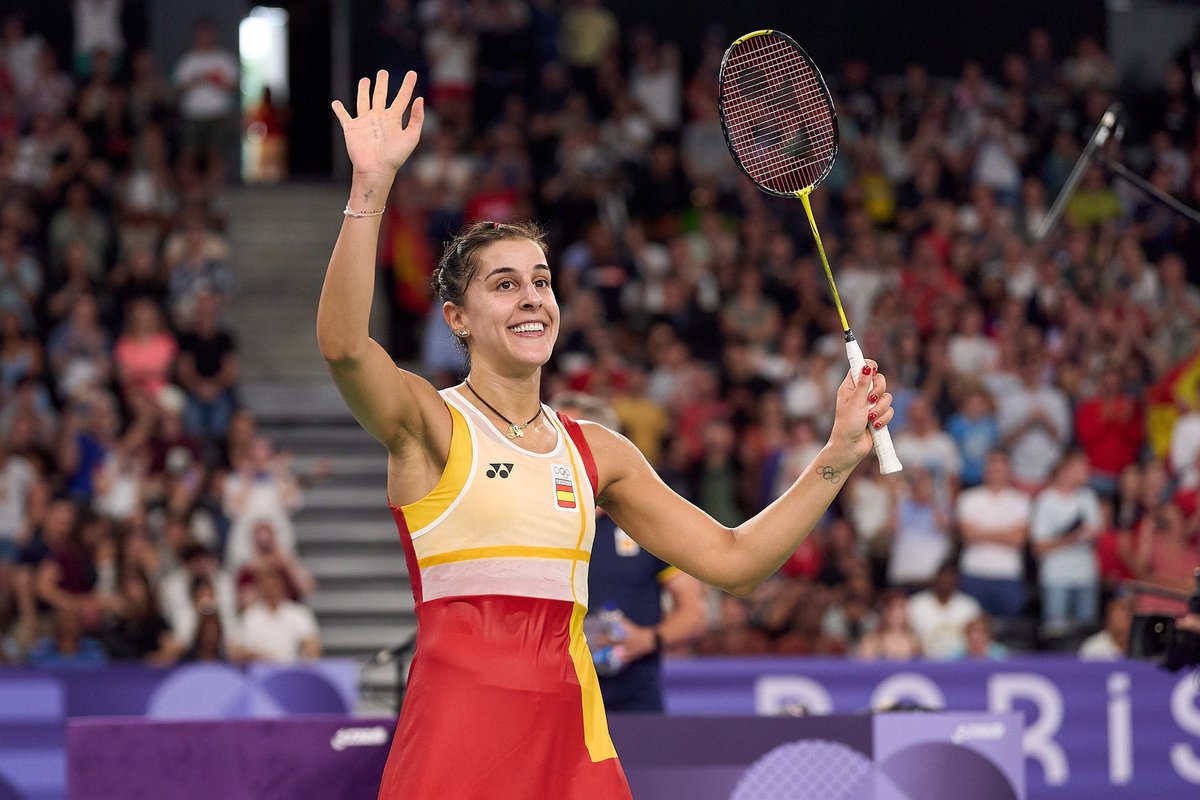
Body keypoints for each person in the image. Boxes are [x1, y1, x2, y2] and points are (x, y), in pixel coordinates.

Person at [320, 70, 894, 800]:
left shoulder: (597, 452)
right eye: (504, 284)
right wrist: (369, 187)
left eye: (542, 280)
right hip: (457, 752)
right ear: (456, 319)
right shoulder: (431, 422)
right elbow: (343, 347)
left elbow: (735, 562)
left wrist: (839, 455)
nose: (532, 297)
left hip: (572, 753)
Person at [554, 391, 708, 713]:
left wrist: (648, 639)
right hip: (555, 697)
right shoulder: (534, 522)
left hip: (633, 701)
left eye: (568, 435)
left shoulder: (645, 521)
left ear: (604, 445)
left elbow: (694, 614)